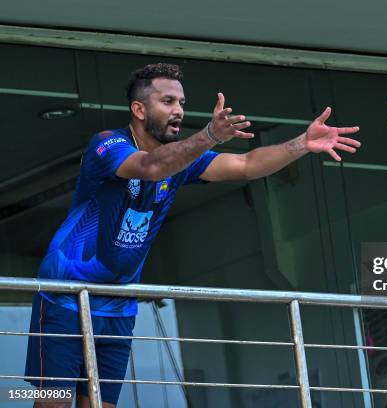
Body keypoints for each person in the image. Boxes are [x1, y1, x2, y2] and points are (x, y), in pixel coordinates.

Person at [23, 63, 360, 407]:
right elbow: (152, 167)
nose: (179, 111)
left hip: (119, 306)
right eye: (167, 101)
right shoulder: (108, 145)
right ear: (139, 109)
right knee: (54, 402)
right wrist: (210, 136)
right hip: (64, 297)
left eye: (181, 102)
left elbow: (246, 165)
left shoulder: (181, 160)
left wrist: (301, 144)